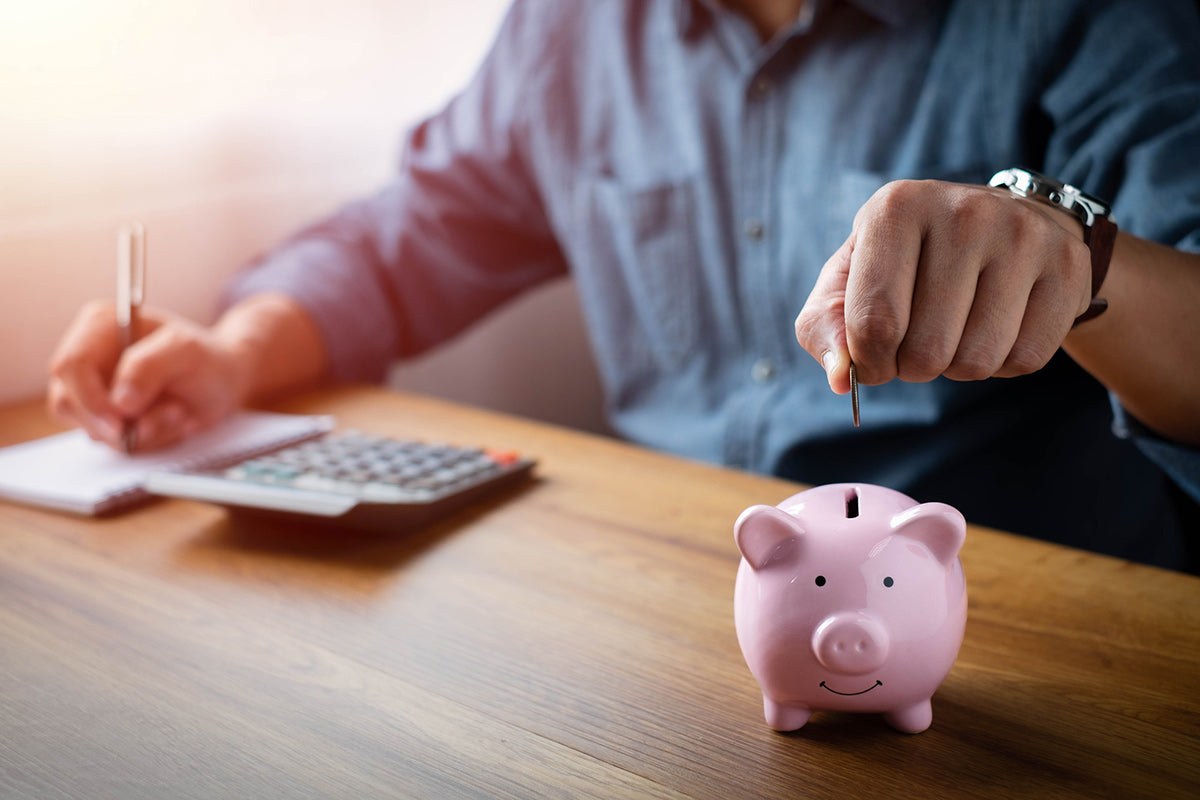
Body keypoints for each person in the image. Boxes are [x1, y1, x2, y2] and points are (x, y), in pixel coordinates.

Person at [48, 0, 1200, 570]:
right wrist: (237, 351)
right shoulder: (573, 26)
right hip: (679, 592)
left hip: (1000, 614)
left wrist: (1081, 260)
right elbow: (409, 235)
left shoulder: (1080, 16)